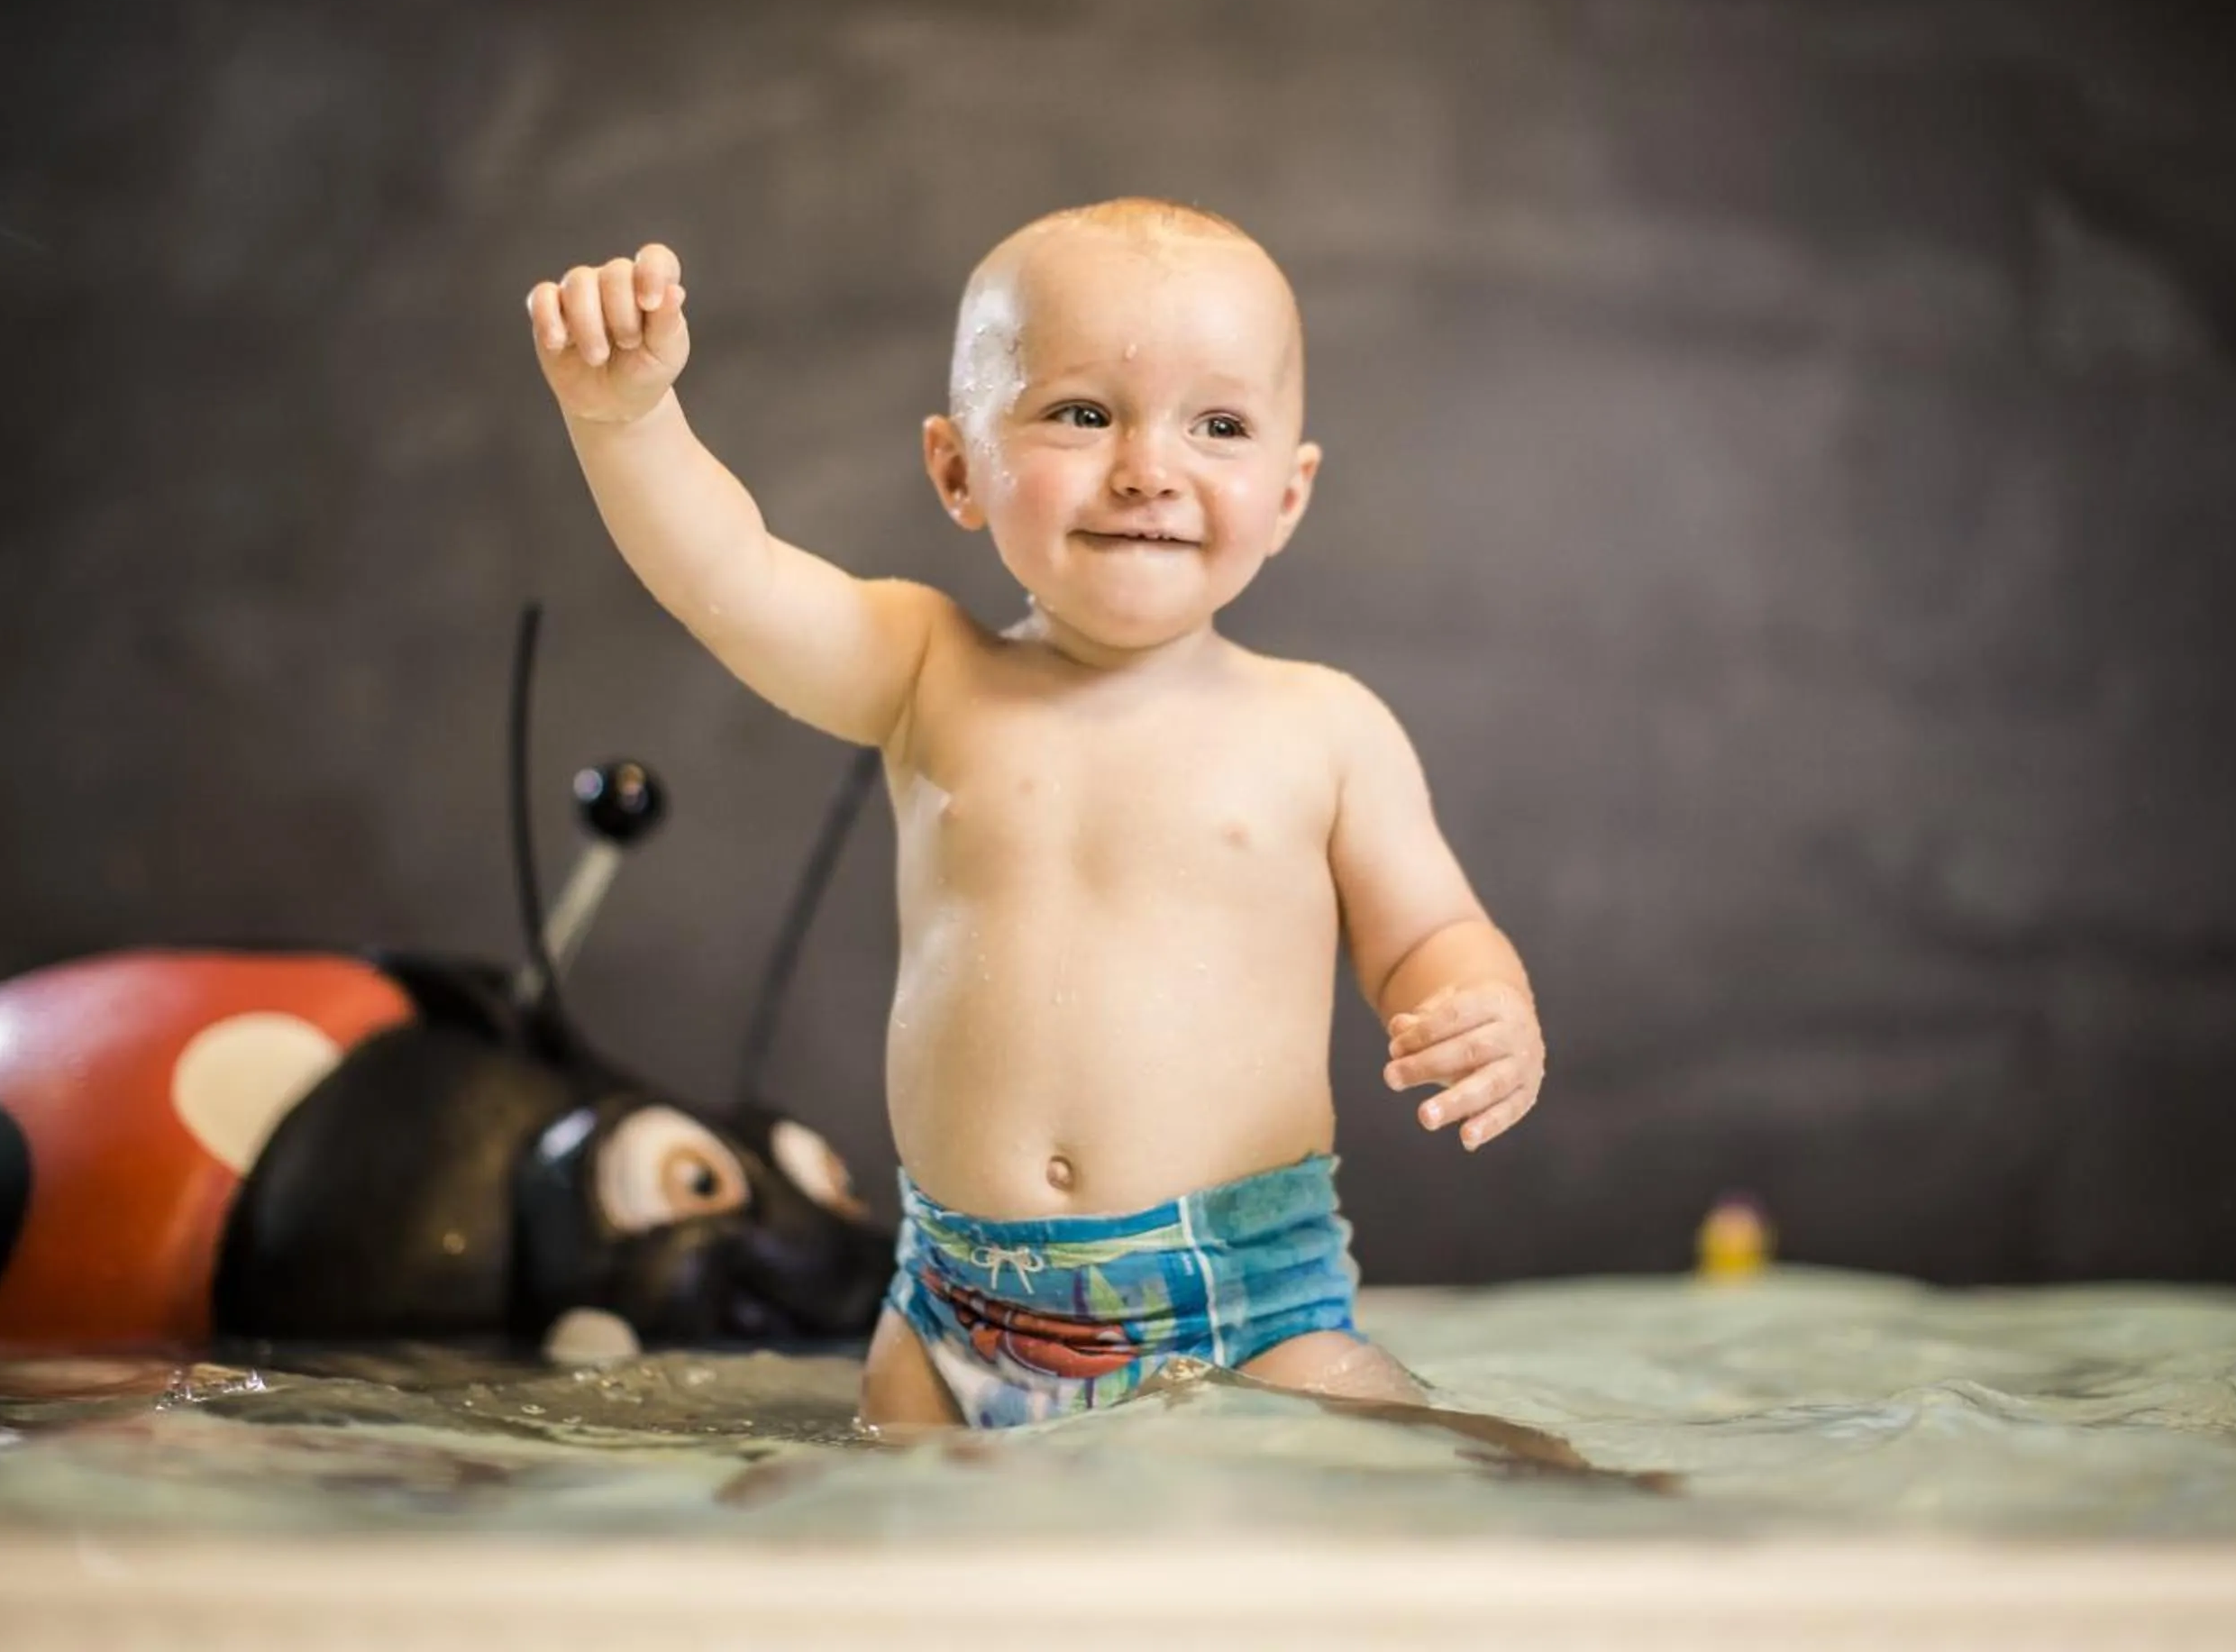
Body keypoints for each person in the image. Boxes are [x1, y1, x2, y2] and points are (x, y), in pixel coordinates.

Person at [526, 199, 1546, 1429]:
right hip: (953, 1309)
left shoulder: (1324, 728)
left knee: (1376, 1455)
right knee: (900, 1559)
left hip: (1238, 1310)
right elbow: (725, 576)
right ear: (959, 466)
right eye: (1082, 412)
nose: (1148, 467)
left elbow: (1424, 930)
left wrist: (1481, 1006)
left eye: (1217, 425)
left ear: (1288, 492)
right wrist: (626, 420)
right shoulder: (925, 670)